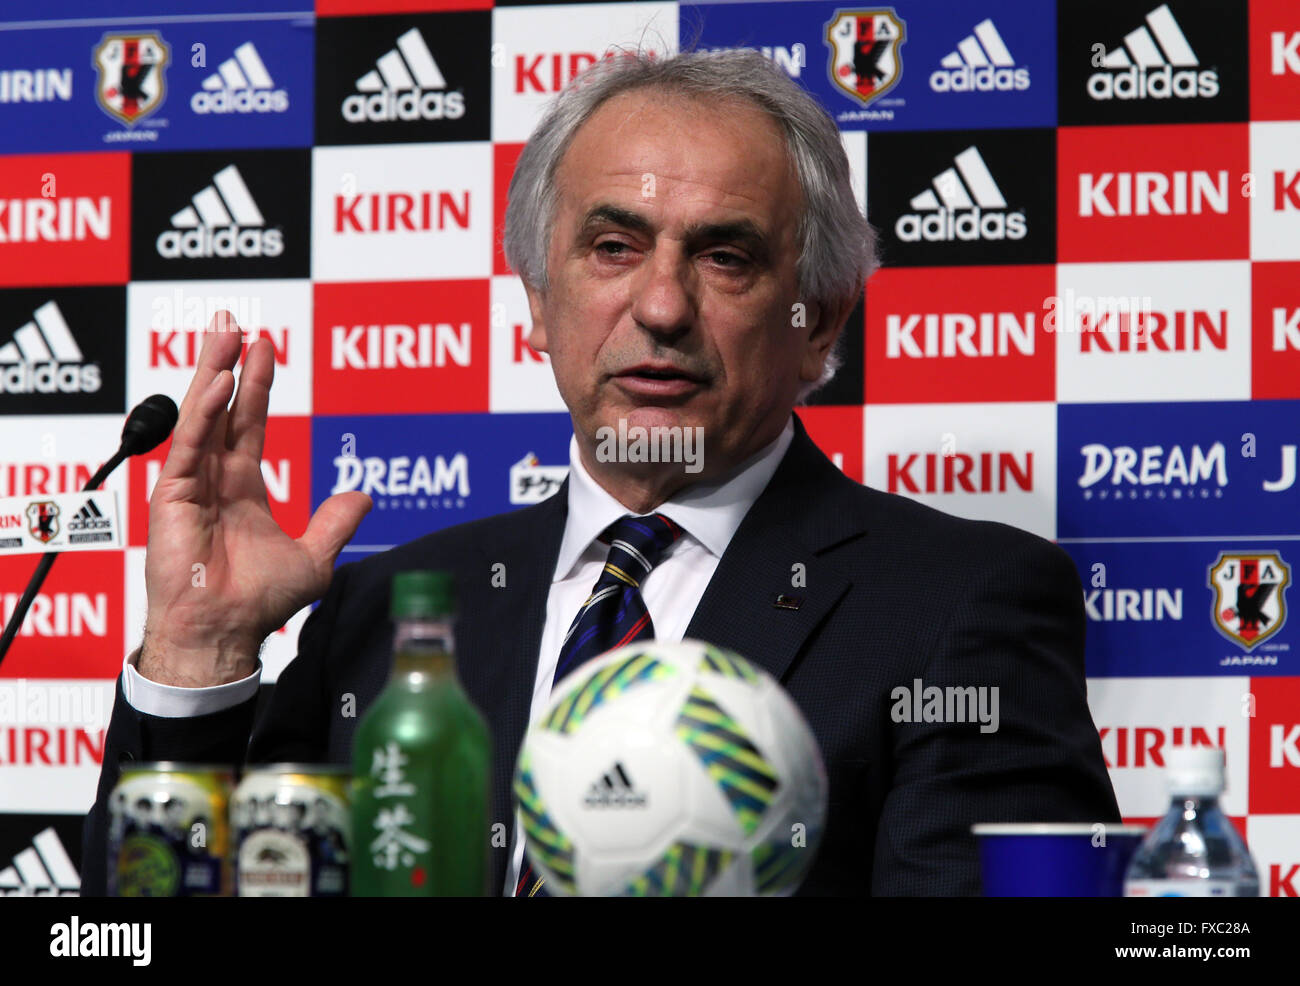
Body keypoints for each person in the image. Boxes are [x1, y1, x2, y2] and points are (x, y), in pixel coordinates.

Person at [82, 47, 1119, 896]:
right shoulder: (387, 607)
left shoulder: (958, 604)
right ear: (537, 304)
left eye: (725, 257)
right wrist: (197, 651)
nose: (661, 308)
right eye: (613, 246)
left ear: (819, 325)